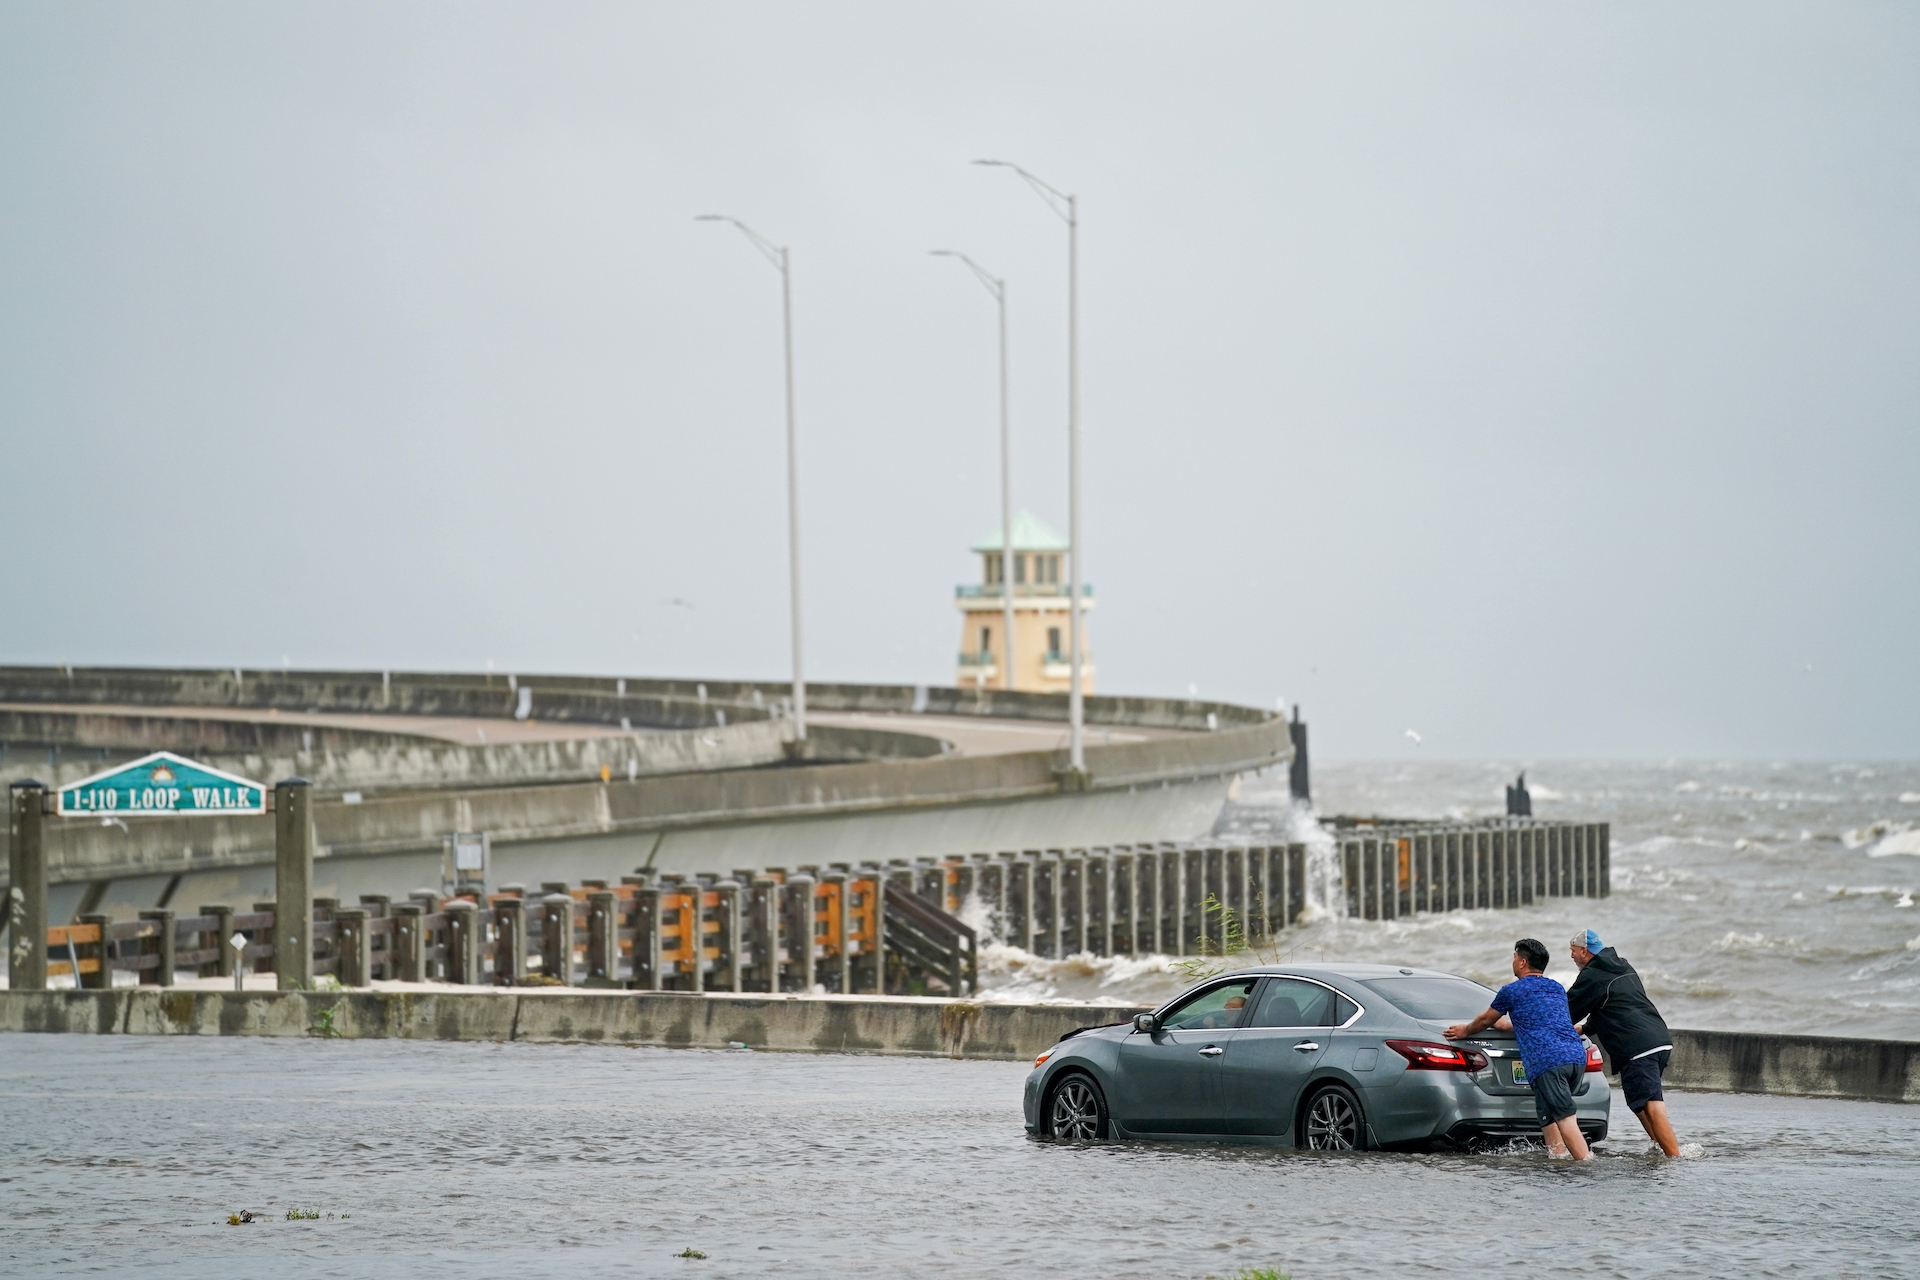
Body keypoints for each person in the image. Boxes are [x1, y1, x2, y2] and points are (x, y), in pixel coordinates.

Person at [1445, 938, 1593, 1160]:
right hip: (1576, 1057)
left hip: (1548, 1061)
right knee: (1548, 1114)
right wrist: (1507, 1026)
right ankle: (1558, 1158)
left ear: (1523, 962)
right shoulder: (1556, 988)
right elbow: (1544, 1020)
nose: (1513, 962)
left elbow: (1485, 1020)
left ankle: (1585, 1166)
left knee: (1565, 1117)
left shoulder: (1512, 991)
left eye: (1514, 957)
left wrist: (1465, 1031)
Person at [1565, 929, 1681, 1157]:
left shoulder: (1592, 974)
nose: (1572, 957)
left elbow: (1567, 1009)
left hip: (1637, 1047)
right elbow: (1616, 1005)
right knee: (1638, 1102)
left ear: (1585, 952)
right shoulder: (1624, 966)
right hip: (1658, 1039)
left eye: (1573, 951)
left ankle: (1675, 1159)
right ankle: (1662, 1147)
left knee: (1652, 1103)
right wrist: (1586, 1028)